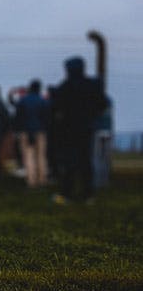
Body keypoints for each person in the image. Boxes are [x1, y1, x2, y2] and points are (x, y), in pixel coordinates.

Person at [51, 57, 108, 203]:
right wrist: (92, 116)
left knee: (69, 162)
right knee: (86, 162)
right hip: (87, 128)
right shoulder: (92, 85)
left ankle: (66, 194)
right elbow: (103, 104)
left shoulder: (66, 86)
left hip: (69, 129)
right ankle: (88, 194)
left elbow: (55, 107)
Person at [14, 80, 50, 188]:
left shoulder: (23, 101)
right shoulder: (43, 101)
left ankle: (31, 180)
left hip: (25, 131)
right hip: (41, 131)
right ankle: (42, 179)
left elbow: (18, 117)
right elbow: (47, 118)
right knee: (41, 156)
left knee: (29, 156)